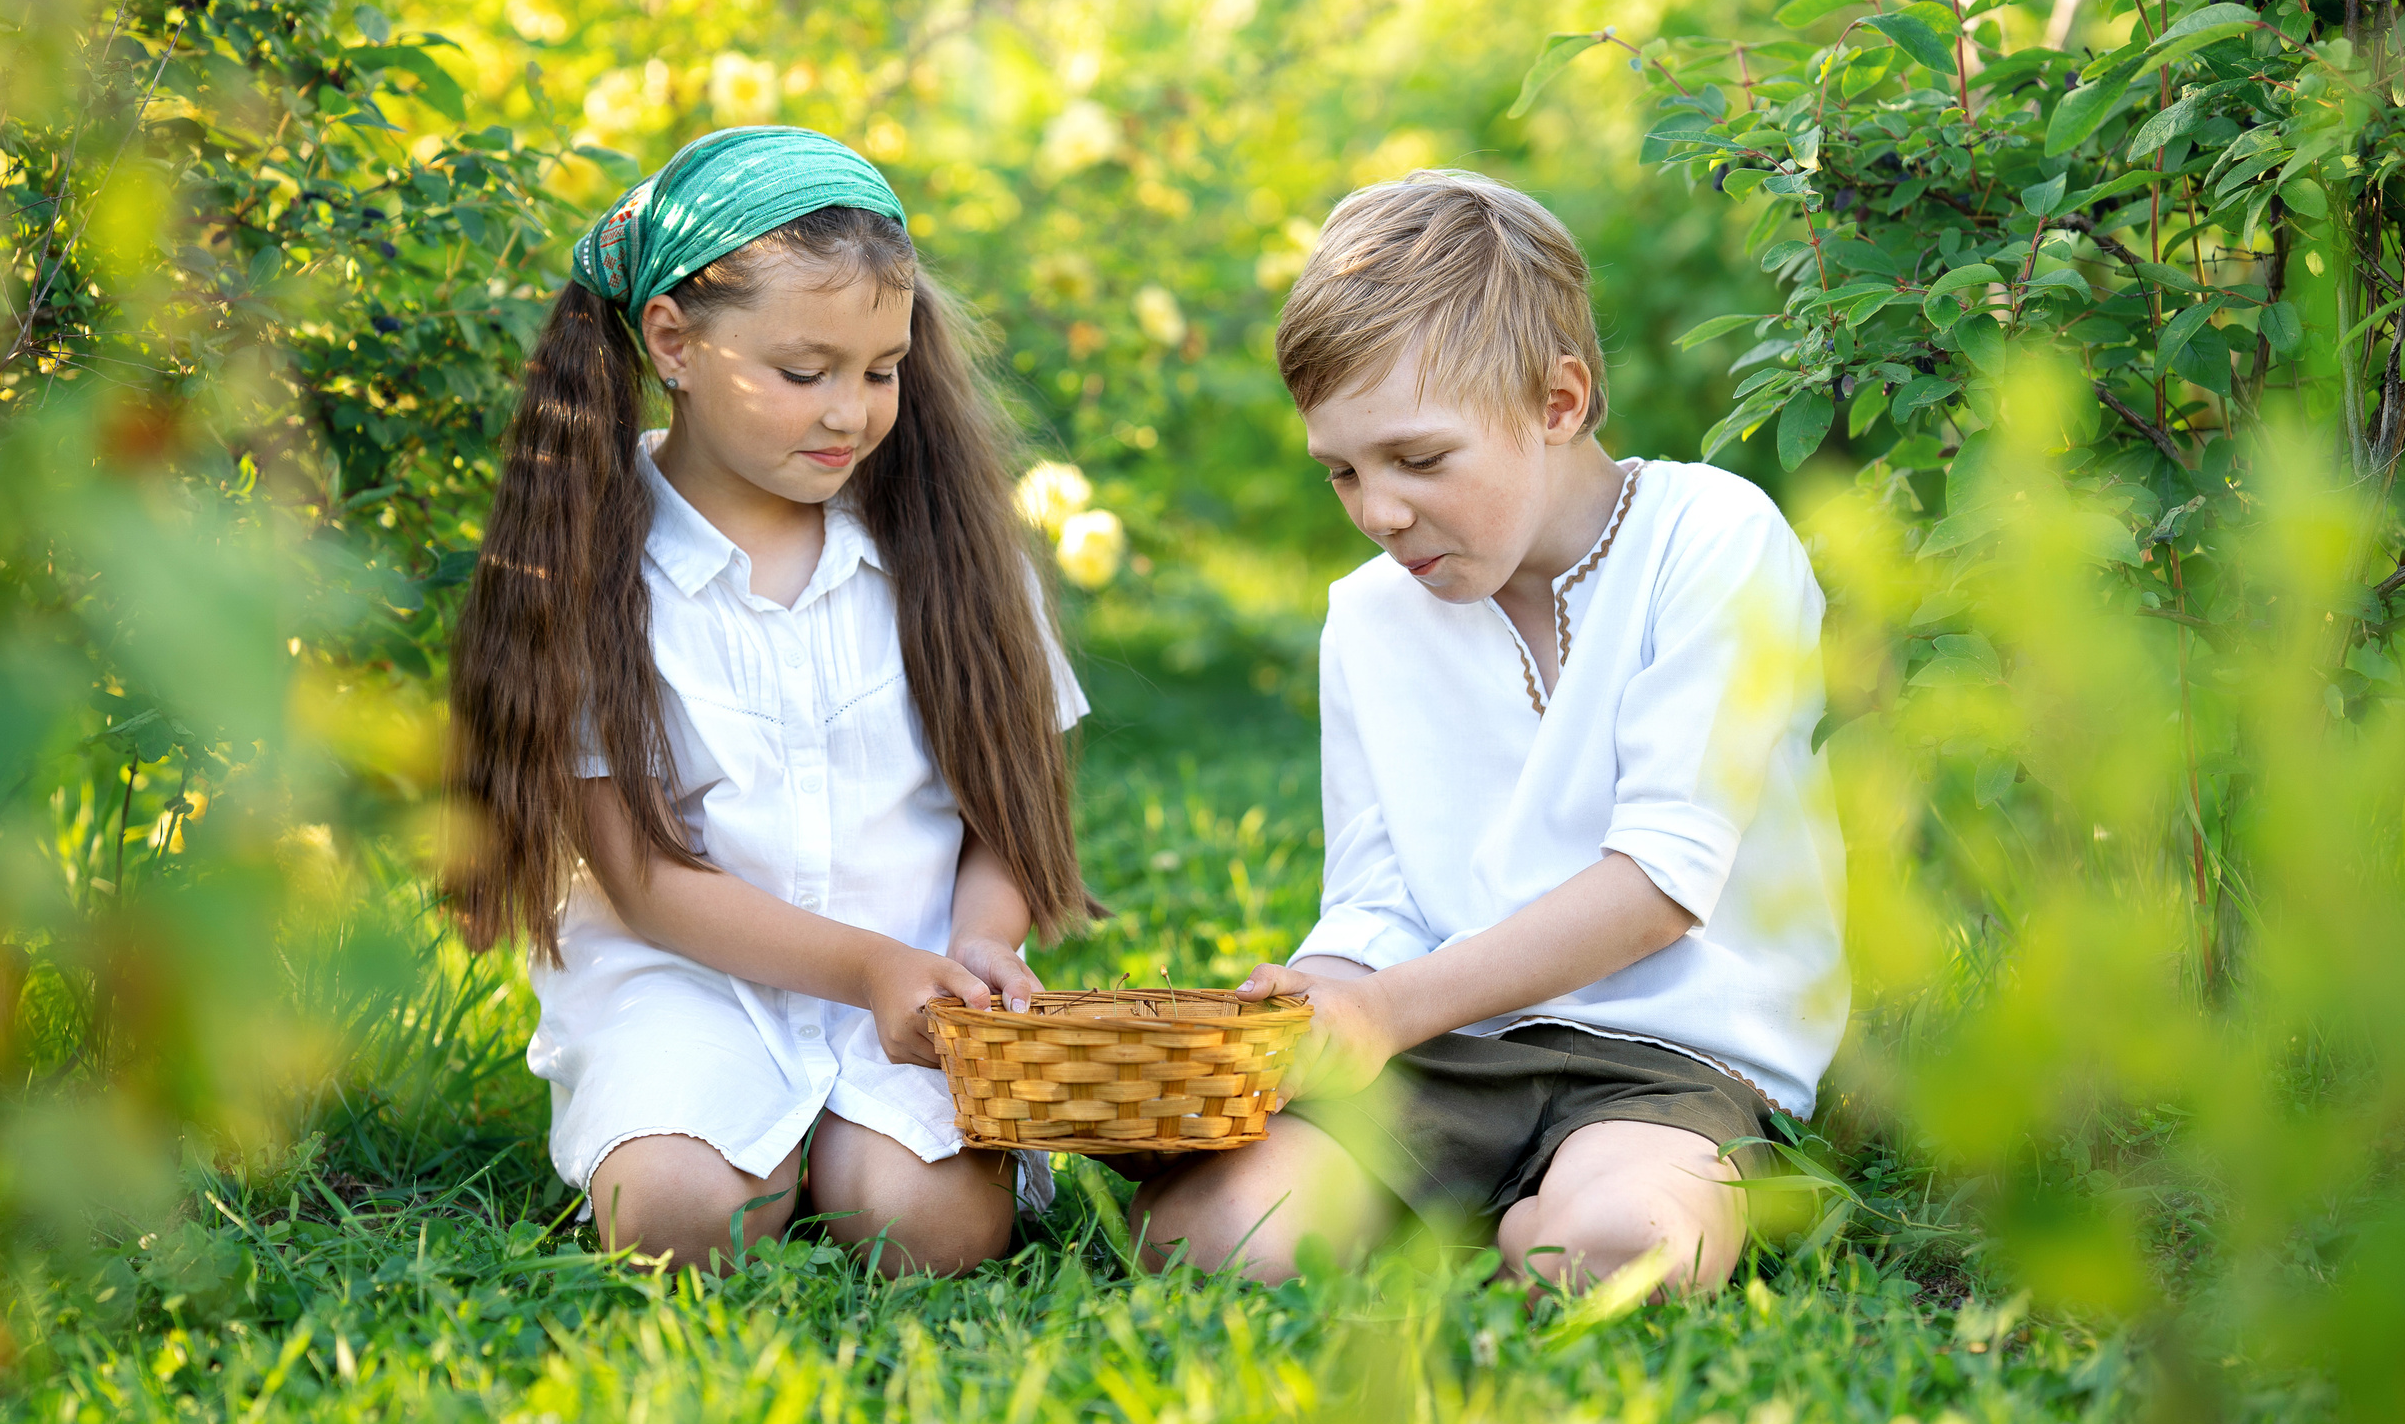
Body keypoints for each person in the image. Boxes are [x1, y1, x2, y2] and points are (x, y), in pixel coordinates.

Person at [1132, 170, 1847, 1295]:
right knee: (1214, 1234)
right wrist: (1313, 1006)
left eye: (1418, 460)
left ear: (1557, 403)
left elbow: (1663, 881)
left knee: (1619, 1249)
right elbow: (1377, 897)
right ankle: (1483, 1200)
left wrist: (1385, 1008)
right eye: (1342, 472)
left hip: (1670, 1060)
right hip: (1450, 1055)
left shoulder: (1710, 537)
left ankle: (1538, 1210)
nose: (1379, 512)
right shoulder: (1369, 616)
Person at [444, 126, 1096, 1275]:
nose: (851, 412)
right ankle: (736, 1151)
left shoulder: (946, 547)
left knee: (927, 1228)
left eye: (881, 371)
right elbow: (641, 880)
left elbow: (1009, 808)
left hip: (912, 983)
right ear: (674, 343)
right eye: (806, 373)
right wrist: (864, 969)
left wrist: (978, 940)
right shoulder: (588, 562)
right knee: (679, 1217)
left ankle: (838, 1154)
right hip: (685, 983)